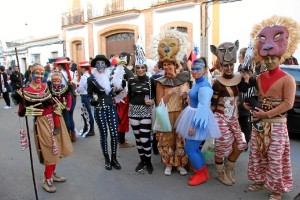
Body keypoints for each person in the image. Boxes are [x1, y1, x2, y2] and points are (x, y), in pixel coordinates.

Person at [244, 16, 299, 200]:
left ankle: (278, 189)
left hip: (277, 124)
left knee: (276, 159)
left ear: (280, 56)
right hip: (259, 123)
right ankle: (258, 180)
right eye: (266, 58)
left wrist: (266, 113)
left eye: (273, 58)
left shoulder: (288, 79)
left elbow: (288, 104)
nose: (269, 61)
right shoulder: (259, 77)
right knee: (257, 154)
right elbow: (259, 98)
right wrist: (249, 105)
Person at [13, 63, 73, 193]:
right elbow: (21, 113)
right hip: (42, 123)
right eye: (36, 73)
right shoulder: (26, 91)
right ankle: (46, 179)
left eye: (41, 73)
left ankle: (53, 173)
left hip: (56, 119)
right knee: (50, 151)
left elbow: (57, 102)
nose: (39, 76)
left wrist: (61, 106)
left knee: (58, 148)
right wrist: (32, 111)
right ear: (31, 74)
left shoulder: (47, 87)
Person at [175, 58, 221, 186]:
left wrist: (193, 126)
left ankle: (201, 174)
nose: (194, 72)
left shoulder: (204, 86)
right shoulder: (198, 82)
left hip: (198, 120)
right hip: (193, 115)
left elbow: (203, 107)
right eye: (193, 69)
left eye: (198, 69)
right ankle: (203, 173)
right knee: (194, 148)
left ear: (205, 70)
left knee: (190, 148)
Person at [210, 40, 249, 186]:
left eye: (230, 65)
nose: (228, 68)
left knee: (241, 144)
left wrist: (246, 78)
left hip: (234, 117)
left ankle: (229, 167)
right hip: (220, 117)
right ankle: (221, 174)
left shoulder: (238, 79)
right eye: (225, 65)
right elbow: (213, 104)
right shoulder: (217, 82)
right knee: (223, 144)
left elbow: (245, 90)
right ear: (220, 66)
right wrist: (210, 121)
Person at [152, 29, 190, 176]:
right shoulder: (160, 82)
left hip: (180, 114)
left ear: (175, 66)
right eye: (165, 65)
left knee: (180, 139)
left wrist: (185, 94)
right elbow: (158, 102)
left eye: (170, 65)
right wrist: (167, 94)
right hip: (166, 115)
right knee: (167, 140)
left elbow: (188, 99)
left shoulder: (183, 80)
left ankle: (180, 164)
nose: (167, 67)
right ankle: (168, 163)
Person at [87, 55, 122, 170]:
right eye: (98, 63)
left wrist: (118, 90)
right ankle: (106, 159)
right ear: (95, 65)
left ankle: (114, 158)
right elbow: (89, 94)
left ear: (106, 64)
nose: (100, 65)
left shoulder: (111, 76)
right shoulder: (91, 79)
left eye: (102, 63)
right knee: (104, 134)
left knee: (114, 133)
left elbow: (112, 93)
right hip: (99, 109)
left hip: (111, 107)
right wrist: (93, 100)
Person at [128, 44, 155, 174]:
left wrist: (153, 101)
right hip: (133, 111)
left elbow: (154, 95)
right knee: (138, 139)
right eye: (137, 67)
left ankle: (149, 162)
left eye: (142, 67)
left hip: (145, 111)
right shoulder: (131, 81)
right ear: (135, 68)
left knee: (145, 139)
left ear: (146, 68)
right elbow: (129, 95)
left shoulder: (151, 81)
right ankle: (142, 160)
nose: (140, 70)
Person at [113, 52, 135, 148]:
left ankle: (120, 139)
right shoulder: (125, 70)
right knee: (123, 118)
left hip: (116, 97)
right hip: (123, 98)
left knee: (119, 118)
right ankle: (121, 141)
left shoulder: (115, 69)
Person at [237, 47, 257, 148]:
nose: (238, 56)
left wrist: (246, 79)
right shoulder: (243, 67)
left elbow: (245, 87)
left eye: (239, 55)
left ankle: (245, 143)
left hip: (245, 98)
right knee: (243, 122)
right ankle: (244, 142)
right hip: (243, 98)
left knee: (244, 122)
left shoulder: (246, 69)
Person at [54, 58, 77, 142]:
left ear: (60, 66)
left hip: (64, 97)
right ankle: (73, 134)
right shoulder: (72, 73)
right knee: (70, 116)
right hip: (73, 96)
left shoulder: (59, 74)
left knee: (66, 116)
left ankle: (68, 135)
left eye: (58, 66)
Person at [76, 61, 95, 137]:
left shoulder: (84, 77)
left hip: (84, 96)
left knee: (87, 113)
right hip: (88, 95)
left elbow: (80, 88)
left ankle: (90, 129)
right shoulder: (89, 75)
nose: (79, 69)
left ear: (83, 68)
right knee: (86, 113)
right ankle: (88, 128)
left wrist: (76, 90)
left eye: (80, 68)